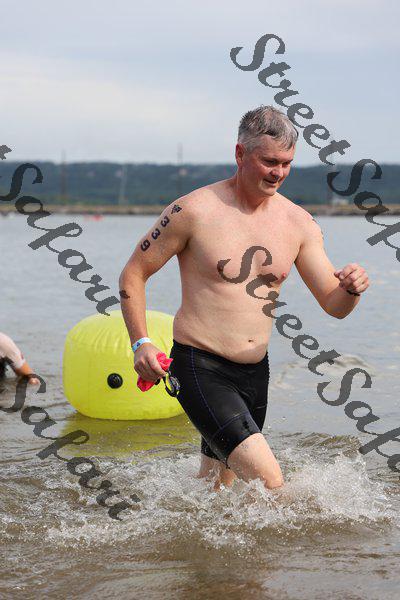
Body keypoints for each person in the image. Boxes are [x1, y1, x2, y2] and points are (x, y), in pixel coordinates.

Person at [119, 105, 369, 492]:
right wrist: (141, 343)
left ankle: (175, 531)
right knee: (269, 483)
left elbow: (333, 305)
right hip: (200, 367)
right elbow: (133, 273)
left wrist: (350, 290)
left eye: (286, 163)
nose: (278, 172)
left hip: (255, 374)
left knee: (220, 492)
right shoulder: (192, 211)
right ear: (240, 153)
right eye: (269, 161)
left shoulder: (299, 223)